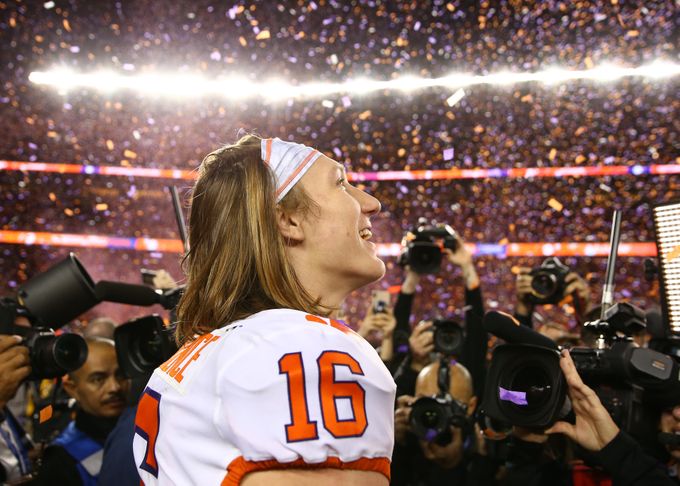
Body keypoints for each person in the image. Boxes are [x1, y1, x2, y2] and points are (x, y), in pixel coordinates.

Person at [133, 135, 396, 485]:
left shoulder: (205, 352)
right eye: (341, 185)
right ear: (288, 221)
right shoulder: (302, 344)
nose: (371, 202)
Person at [31, 338, 129, 486]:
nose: (114, 387)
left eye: (120, 375)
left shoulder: (146, 431)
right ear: (72, 388)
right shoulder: (61, 461)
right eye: (98, 379)